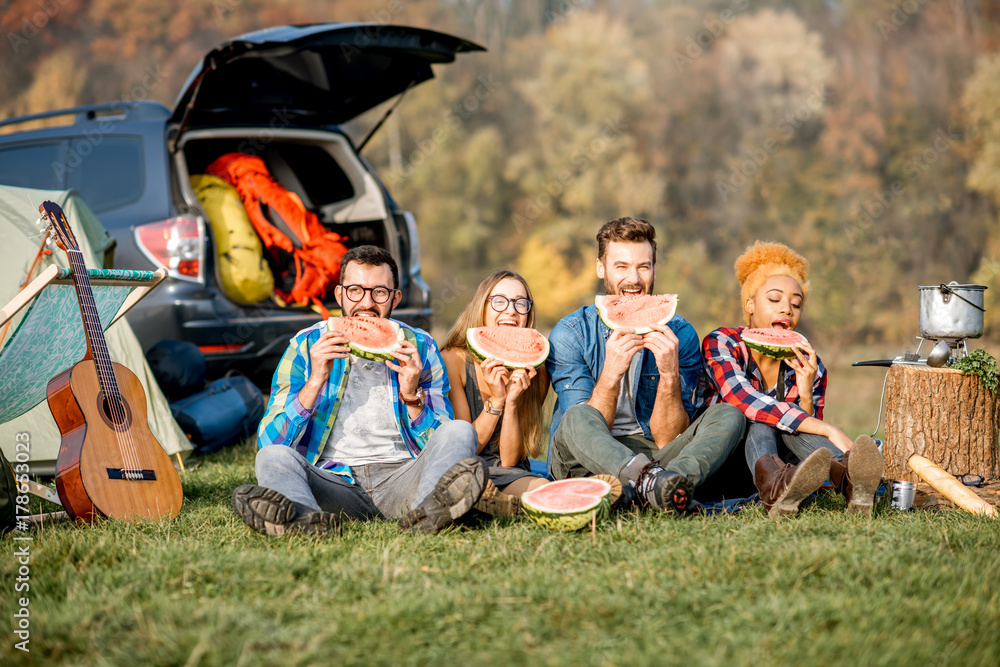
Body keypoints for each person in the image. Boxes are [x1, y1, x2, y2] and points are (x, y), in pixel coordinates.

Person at [232, 245, 485, 536]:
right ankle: (306, 521)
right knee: (271, 458)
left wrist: (411, 397)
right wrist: (315, 382)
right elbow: (269, 440)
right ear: (339, 294)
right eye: (355, 290)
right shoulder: (305, 345)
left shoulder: (420, 346)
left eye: (379, 292)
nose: (366, 303)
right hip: (335, 485)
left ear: (395, 298)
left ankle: (427, 515)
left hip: (403, 481)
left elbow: (442, 438)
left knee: (460, 431)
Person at [547, 217, 745, 513]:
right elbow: (581, 431)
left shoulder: (680, 333)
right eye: (622, 266)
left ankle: (657, 491)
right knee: (576, 416)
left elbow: (667, 437)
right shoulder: (571, 333)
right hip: (583, 463)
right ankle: (661, 487)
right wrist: (611, 373)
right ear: (601, 267)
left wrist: (669, 375)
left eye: (643, 266)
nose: (634, 279)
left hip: (657, 454)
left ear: (654, 268)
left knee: (729, 415)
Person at [701, 241, 883, 517]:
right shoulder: (722, 342)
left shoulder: (812, 365)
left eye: (796, 304)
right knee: (759, 422)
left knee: (789, 421)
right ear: (749, 304)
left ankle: (852, 484)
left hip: (786, 471)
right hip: (726, 464)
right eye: (774, 299)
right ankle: (836, 478)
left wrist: (807, 393)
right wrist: (829, 430)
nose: (787, 309)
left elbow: (805, 445)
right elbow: (743, 400)